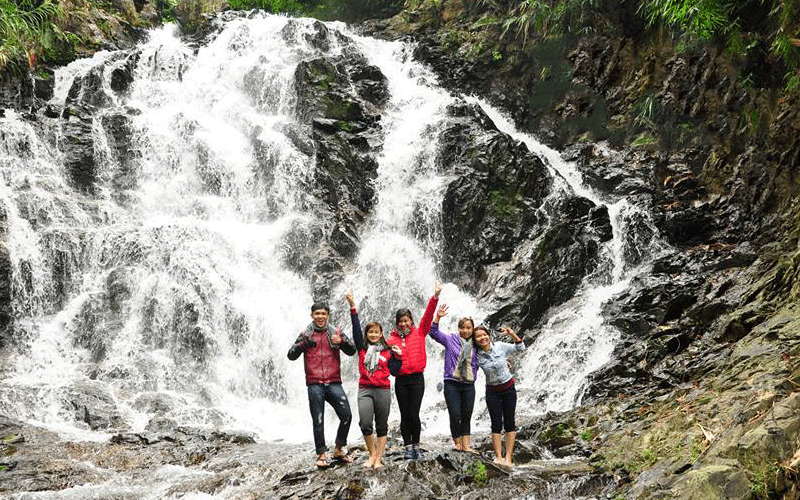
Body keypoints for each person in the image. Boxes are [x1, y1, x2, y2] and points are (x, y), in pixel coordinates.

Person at [287, 301, 356, 468]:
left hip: (333, 381)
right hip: (315, 383)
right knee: (318, 420)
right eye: (317, 314)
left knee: (347, 415)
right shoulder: (305, 334)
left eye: (323, 314)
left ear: (328, 315)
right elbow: (290, 355)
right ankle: (321, 454)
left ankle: (339, 449)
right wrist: (304, 344)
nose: (320, 317)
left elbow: (352, 350)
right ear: (312, 315)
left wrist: (341, 342)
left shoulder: (336, 332)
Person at [346, 292, 402, 468]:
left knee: (382, 425)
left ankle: (378, 457)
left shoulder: (388, 351)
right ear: (367, 334)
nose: (373, 334)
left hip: (383, 389)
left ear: (381, 333)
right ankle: (371, 454)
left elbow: (394, 372)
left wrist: (399, 358)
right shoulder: (362, 348)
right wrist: (352, 307)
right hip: (365, 389)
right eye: (370, 332)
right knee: (365, 422)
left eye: (376, 332)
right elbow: (356, 328)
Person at [386, 282, 442, 459]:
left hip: (418, 379)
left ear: (411, 321)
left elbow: (428, 316)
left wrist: (435, 297)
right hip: (401, 381)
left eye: (406, 321)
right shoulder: (390, 341)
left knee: (414, 413)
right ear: (397, 323)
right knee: (404, 414)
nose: (404, 324)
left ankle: (416, 446)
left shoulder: (420, 333)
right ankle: (408, 447)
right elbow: (384, 362)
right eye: (401, 321)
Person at [473, 325, 525, 467]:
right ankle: (499, 457)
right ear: (475, 340)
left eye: (484, 335)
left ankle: (508, 458)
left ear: (488, 335)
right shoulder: (476, 355)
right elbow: (469, 369)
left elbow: (520, 348)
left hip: (508, 388)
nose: (482, 338)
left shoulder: (501, 346)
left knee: (509, 423)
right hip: (492, 391)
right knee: (496, 424)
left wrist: (512, 333)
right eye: (478, 336)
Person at [430, 303, 478, 452]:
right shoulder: (451, 339)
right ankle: (458, 443)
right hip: (452, 383)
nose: (465, 330)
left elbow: (489, 355)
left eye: (468, 328)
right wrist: (437, 317)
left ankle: (467, 445)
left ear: (472, 329)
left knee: (467, 414)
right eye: (462, 328)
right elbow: (433, 333)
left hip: (469, 384)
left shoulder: (477, 344)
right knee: (455, 414)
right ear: (459, 329)